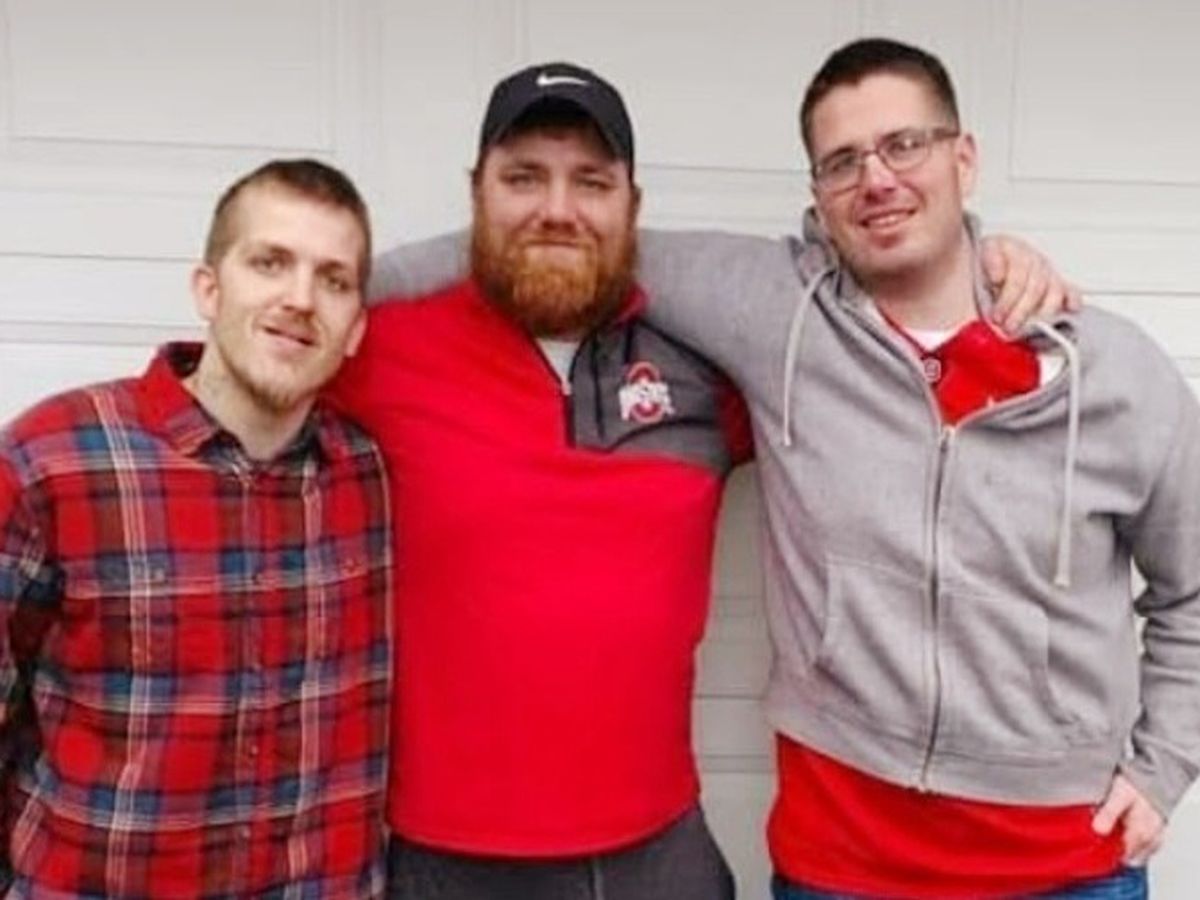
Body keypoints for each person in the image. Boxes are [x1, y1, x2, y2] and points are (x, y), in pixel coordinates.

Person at [369, 48, 1195, 898]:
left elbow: (1193, 587)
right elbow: (556, 243)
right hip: (840, 866)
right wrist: (342, 281)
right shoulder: (776, 316)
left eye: (904, 144)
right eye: (843, 161)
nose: (877, 179)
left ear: (965, 158)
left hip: (1065, 869)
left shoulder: (1111, 370)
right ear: (817, 194)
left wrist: (1164, 764)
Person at [329, 62, 750, 900]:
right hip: (449, 864)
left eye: (591, 181)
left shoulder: (707, 367)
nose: (558, 208)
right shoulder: (376, 347)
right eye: (524, 177)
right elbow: (244, 395)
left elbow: (868, 369)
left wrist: (986, 266)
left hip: (662, 853)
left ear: (632, 206)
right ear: (476, 192)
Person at [0, 159, 392, 897]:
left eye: (334, 280)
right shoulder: (52, 460)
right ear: (208, 289)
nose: (300, 298)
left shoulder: (374, 479)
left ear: (356, 329)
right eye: (270, 262)